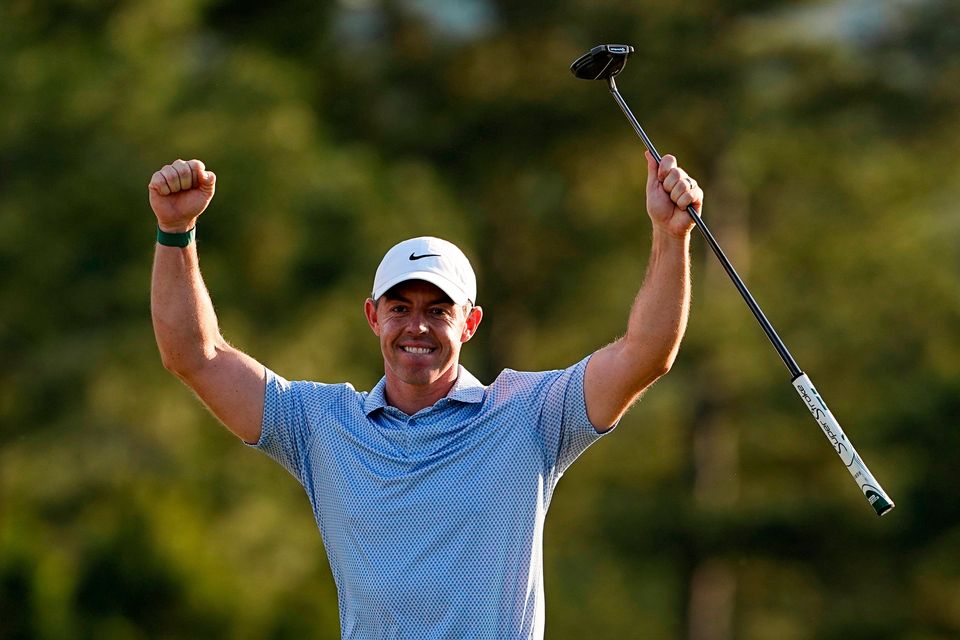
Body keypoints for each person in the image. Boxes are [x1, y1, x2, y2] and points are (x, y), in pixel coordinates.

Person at [148, 151, 703, 639]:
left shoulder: (530, 415)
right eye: (400, 308)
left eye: (439, 310)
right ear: (373, 317)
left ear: (470, 324)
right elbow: (197, 357)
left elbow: (644, 354)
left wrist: (669, 236)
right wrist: (176, 232)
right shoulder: (319, 424)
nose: (417, 326)